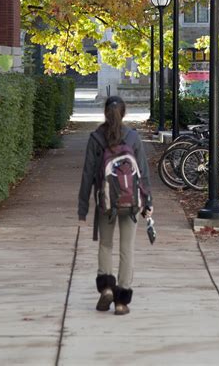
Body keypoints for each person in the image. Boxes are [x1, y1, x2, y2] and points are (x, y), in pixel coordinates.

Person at [78, 95, 153, 316]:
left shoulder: (96, 138)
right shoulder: (133, 138)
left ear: (105, 113)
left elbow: (87, 175)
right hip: (131, 204)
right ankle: (121, 301)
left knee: (106, 245)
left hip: (106, 202)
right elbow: (144, 174)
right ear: (124, 113)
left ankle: (107, 288)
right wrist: (147, 202)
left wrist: (83, 208)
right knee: (127, 248)